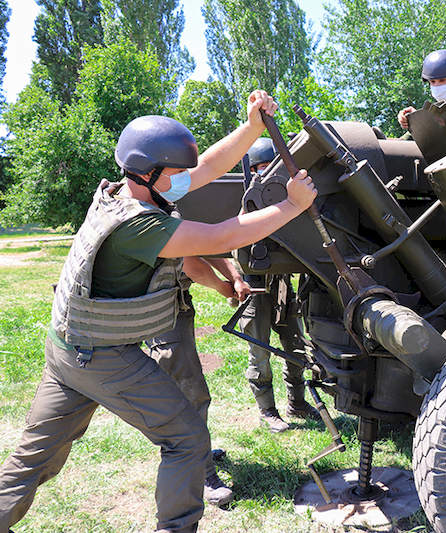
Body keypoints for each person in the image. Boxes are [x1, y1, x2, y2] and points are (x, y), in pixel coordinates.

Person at [0, 90, 317, 533]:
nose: (187, 176)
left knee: (34, 458)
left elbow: (205, 166)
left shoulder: (122, 192)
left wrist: (250, 128)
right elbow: (220, 236)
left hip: (66, 352)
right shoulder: (141, 224)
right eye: (176, 171)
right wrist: (291, 205)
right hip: (102, 358)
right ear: (148, 173)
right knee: (187, 440)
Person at [145, 254, 249, 508]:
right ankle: (202, 472)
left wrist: (235, 277)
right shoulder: (166, 214)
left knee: (190, 392)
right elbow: (191, 262)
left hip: (174, 304)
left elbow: (208, 246)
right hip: (156, 309)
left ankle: (197, 452)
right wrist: (223, 286)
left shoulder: (186, 214)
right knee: (189, 395)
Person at [238, 137, 319, 433]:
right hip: (255, 288)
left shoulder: (288, 200)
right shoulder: (245, 200)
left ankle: (296, 403)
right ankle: (267, 411)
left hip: (283, 284)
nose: (267, 176)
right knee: (259, 352)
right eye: (260, 169)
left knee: (295, 346)